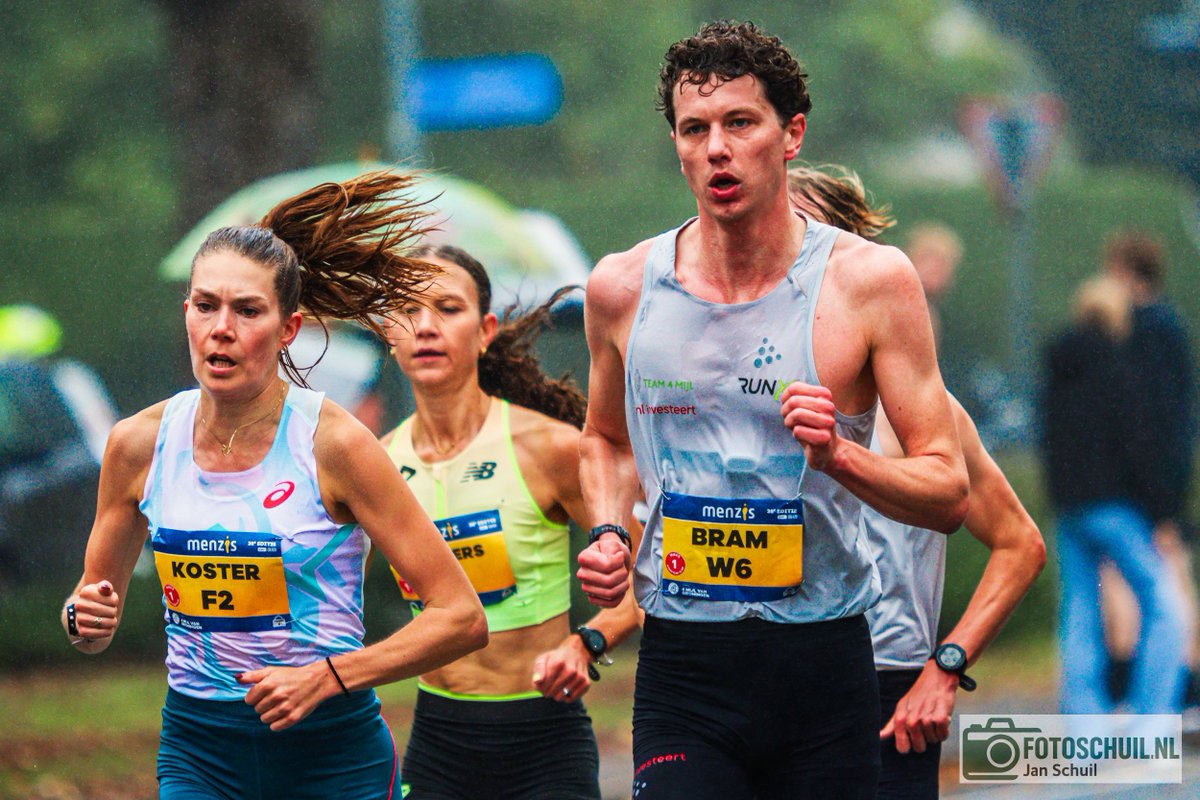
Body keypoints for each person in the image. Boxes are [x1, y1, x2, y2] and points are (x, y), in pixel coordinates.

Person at [577, 21, 968, 799]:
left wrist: (839, 457)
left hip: (823, 667)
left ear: (791, 135)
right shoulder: (621, 288)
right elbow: (603, 441)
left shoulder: (871, 284)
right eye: (695, 130)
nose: (716, 148)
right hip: (686, 669)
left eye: (739, 123)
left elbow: (949, 490)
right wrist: (608, 530)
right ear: (677, 145)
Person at [59, 171, 489, 799]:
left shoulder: (335, 446)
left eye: (248, 310)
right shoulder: (137, 445)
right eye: (206, 306)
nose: (221, 328)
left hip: (330, 754)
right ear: (187, 313)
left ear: (288, 329)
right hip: (199, 748)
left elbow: (461, 618)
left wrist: (329, 677)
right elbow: (90, 616)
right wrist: (83, 618)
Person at [789, 164, 1047, 799]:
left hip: (887, 687)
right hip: (770, 677)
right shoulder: (746, 394)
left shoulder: (920, 414)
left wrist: (947, 667)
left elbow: (1021, 544)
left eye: (799, 232)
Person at [382, 244, 642, 800]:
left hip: (544, 740)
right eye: (408, 311)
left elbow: (652, 576)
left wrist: (586, 643)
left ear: (485, 330)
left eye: (448, 308)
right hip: (439, 742)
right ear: (388, 332)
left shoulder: (549, 447)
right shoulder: (376, 466)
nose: (426, 326)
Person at [1042, 273, 1188, 723]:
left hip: (1071, 508)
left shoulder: (1058, 371)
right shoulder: (1121, 369)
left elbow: (1048, 442)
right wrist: (1163, 510)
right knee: (1165, 609)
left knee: (1080, 615)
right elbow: (1138, 446)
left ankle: (1085, 728)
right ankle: (1151, 718)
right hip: (1119, 507)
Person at [1100, 230, 1200, 706]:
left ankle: (1172, 680)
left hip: (1148, 485)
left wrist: (1163, 500)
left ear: (1124, 272)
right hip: (1158, 480)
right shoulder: (1167, 326)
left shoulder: (1147, 331)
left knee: (1157, 583)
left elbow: (1157, 421)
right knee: (1162, 580)